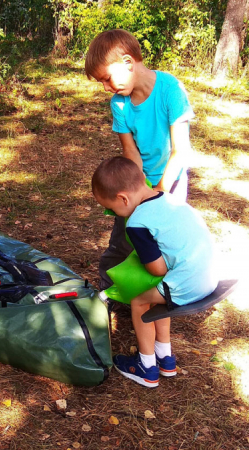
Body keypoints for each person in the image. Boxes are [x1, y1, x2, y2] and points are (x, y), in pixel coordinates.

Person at [85, 29, 197, 290]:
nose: (106, 87)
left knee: (164, 242)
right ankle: (108, 293)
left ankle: (161, 295)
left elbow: (180, 151)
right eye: (102, 82)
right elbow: (131, 153)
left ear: (127, 63)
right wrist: (138, 194)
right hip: (138, 184)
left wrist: (158, 194)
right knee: (124, 241)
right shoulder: (120, 104)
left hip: (170, 183)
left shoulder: (170, 90)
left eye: (107, 79)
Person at [91, 156, 217, 387]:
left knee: (139, 299)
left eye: (110, 209)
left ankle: (146, 366)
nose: (113, 214)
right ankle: (165, 358)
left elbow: (157, 268)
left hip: (188, 285)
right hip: (209, 278)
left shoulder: (137, 221)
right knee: (160, 294)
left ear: (123, 198)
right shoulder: (168, 198)